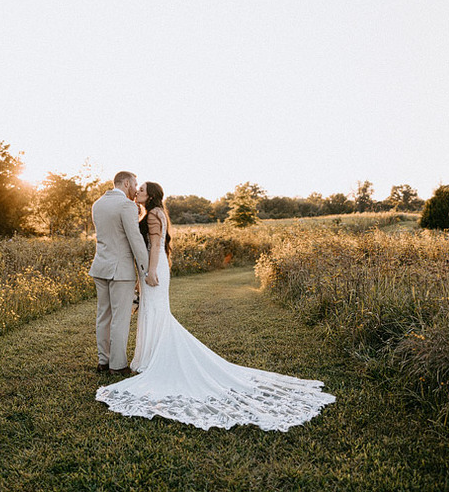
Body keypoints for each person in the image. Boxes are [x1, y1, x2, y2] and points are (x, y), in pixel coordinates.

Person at [96, 182, 335, 431]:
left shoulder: (154, 215)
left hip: (154, 270)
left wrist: (152, 271)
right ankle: (147, 356)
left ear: (152, 195)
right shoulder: (152, 213)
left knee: (155, 312)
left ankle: (153, 358)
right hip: (150, 269)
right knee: (150, 312)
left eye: (142, 190)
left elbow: (155, 246)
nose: (138, 192)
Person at [89, 171, 149, 376]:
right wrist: (146, 268)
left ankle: (103, 362)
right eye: (135, 184)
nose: (136, 188)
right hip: (120, 271)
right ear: (125, 183)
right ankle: (118, 365)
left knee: (103, 316)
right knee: (120, 318)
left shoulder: (98, 204)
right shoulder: (126, 205)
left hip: (100, 267)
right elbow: (135, 239)